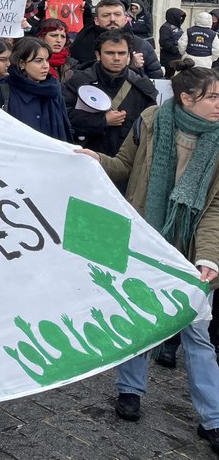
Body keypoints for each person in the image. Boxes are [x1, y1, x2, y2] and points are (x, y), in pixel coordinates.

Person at [81, 67, 219, 450]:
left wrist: (210, 256)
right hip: (145, 238)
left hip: (192, 250)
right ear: (187, 98)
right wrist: (94, 159)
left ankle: (213, 420)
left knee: (197, 334)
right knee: (137, 318)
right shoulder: (151, 121)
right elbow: (124, 166)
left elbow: (216, 207)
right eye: (213, 97)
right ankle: (130, 390)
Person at [63, 30, 158, 157]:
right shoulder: (79, 81)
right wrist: (101, 120)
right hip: (86, 157)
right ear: (98, 54)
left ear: (129, 55)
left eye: (122, 53)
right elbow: (63, 116)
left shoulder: (142, 85)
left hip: (126, 162)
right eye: (109, 53)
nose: (116, 58)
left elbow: (150, 126)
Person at [0, 37, 73, 142]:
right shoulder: (0, 92)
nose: (45, 66)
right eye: (38, 61)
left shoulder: (54, 91)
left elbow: (66, 132)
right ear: (22, 63)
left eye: (47, 60)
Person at [70, 0, 163, 78]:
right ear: (97, 20)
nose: (112, 19)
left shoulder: (142, 46)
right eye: (106, 15)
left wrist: (135, 70)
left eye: (117, 14)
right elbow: (73, 77)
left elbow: (157, 83)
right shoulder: (81, 44)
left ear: (125, 19)